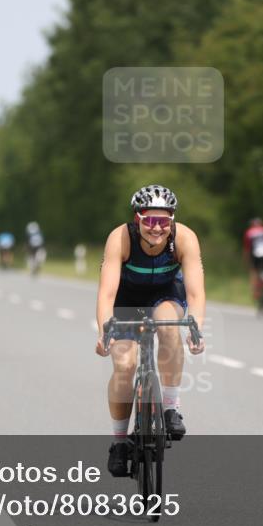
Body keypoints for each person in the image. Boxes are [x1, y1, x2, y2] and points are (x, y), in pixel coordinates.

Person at [95, 184, 206, 477]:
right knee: (125, 364)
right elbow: (107, 293)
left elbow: (195, 294)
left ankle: (170, 407)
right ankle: (119, 443)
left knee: (169, 327)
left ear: (173, 220)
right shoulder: (120, 238)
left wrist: (196, 328)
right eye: (149, 220)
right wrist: (105, 330)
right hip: (126, 300)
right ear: (137, 219)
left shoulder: (185, 239)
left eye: (164, 221)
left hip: (166, 295)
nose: (157, 228)